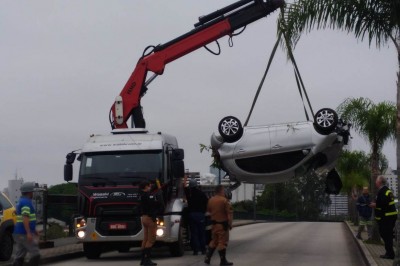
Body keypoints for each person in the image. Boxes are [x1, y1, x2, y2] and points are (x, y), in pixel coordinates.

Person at [204, 185, 233, 266]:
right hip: (222, 224)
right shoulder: (224, 201)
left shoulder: (210, 200)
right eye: (223, 191)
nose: (224, 192)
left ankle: (207, 258)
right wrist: (230, 224)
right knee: (222, 242)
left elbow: (208, 211)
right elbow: (229, 213)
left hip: (214, 224)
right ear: (221, 191)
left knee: (214, 241)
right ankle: (223, 261)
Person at [370, 175, 398, 260]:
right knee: (385, 235)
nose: (375, 182)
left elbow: (383, 203)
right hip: (386, 218)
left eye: (376, 181)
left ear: (379, 182)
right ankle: (388, 252)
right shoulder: (384, 191)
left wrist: (375, 205)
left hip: (387, 218)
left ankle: (390, 254)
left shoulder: (384, 191)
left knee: (387, 236)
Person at [13, 182, 40, 266]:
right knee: (35, 254)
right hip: (24, 233)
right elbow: (25, 218)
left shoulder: (21, 201)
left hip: (18, 233)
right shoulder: (26, 203)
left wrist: (34, 230)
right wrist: (29, 232)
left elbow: (22, 218)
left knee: (20, 255)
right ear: (29, 192)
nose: (34, 193)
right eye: (33, 191)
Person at [139, 180, 164, 266]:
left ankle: (142, 260)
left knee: (145, 239)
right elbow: (157, 204)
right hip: (150, 219)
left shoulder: (140, 195)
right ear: (146, 187)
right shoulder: (148, 196)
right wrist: (159, 193)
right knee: (151, 240)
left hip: (144, 217)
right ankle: (147, 260)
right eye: (149, 186)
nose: (150, 187)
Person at [183, 176, 209, 255]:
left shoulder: (189, 194)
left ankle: (195, 250)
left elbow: (184, 186)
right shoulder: (201, 194)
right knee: (201, 233)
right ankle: (203, 250)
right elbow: (207, 203)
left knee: (194, 233)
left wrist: (185, 178)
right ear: (196, 185)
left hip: (191, 215)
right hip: (200, 215)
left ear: (190, 186)